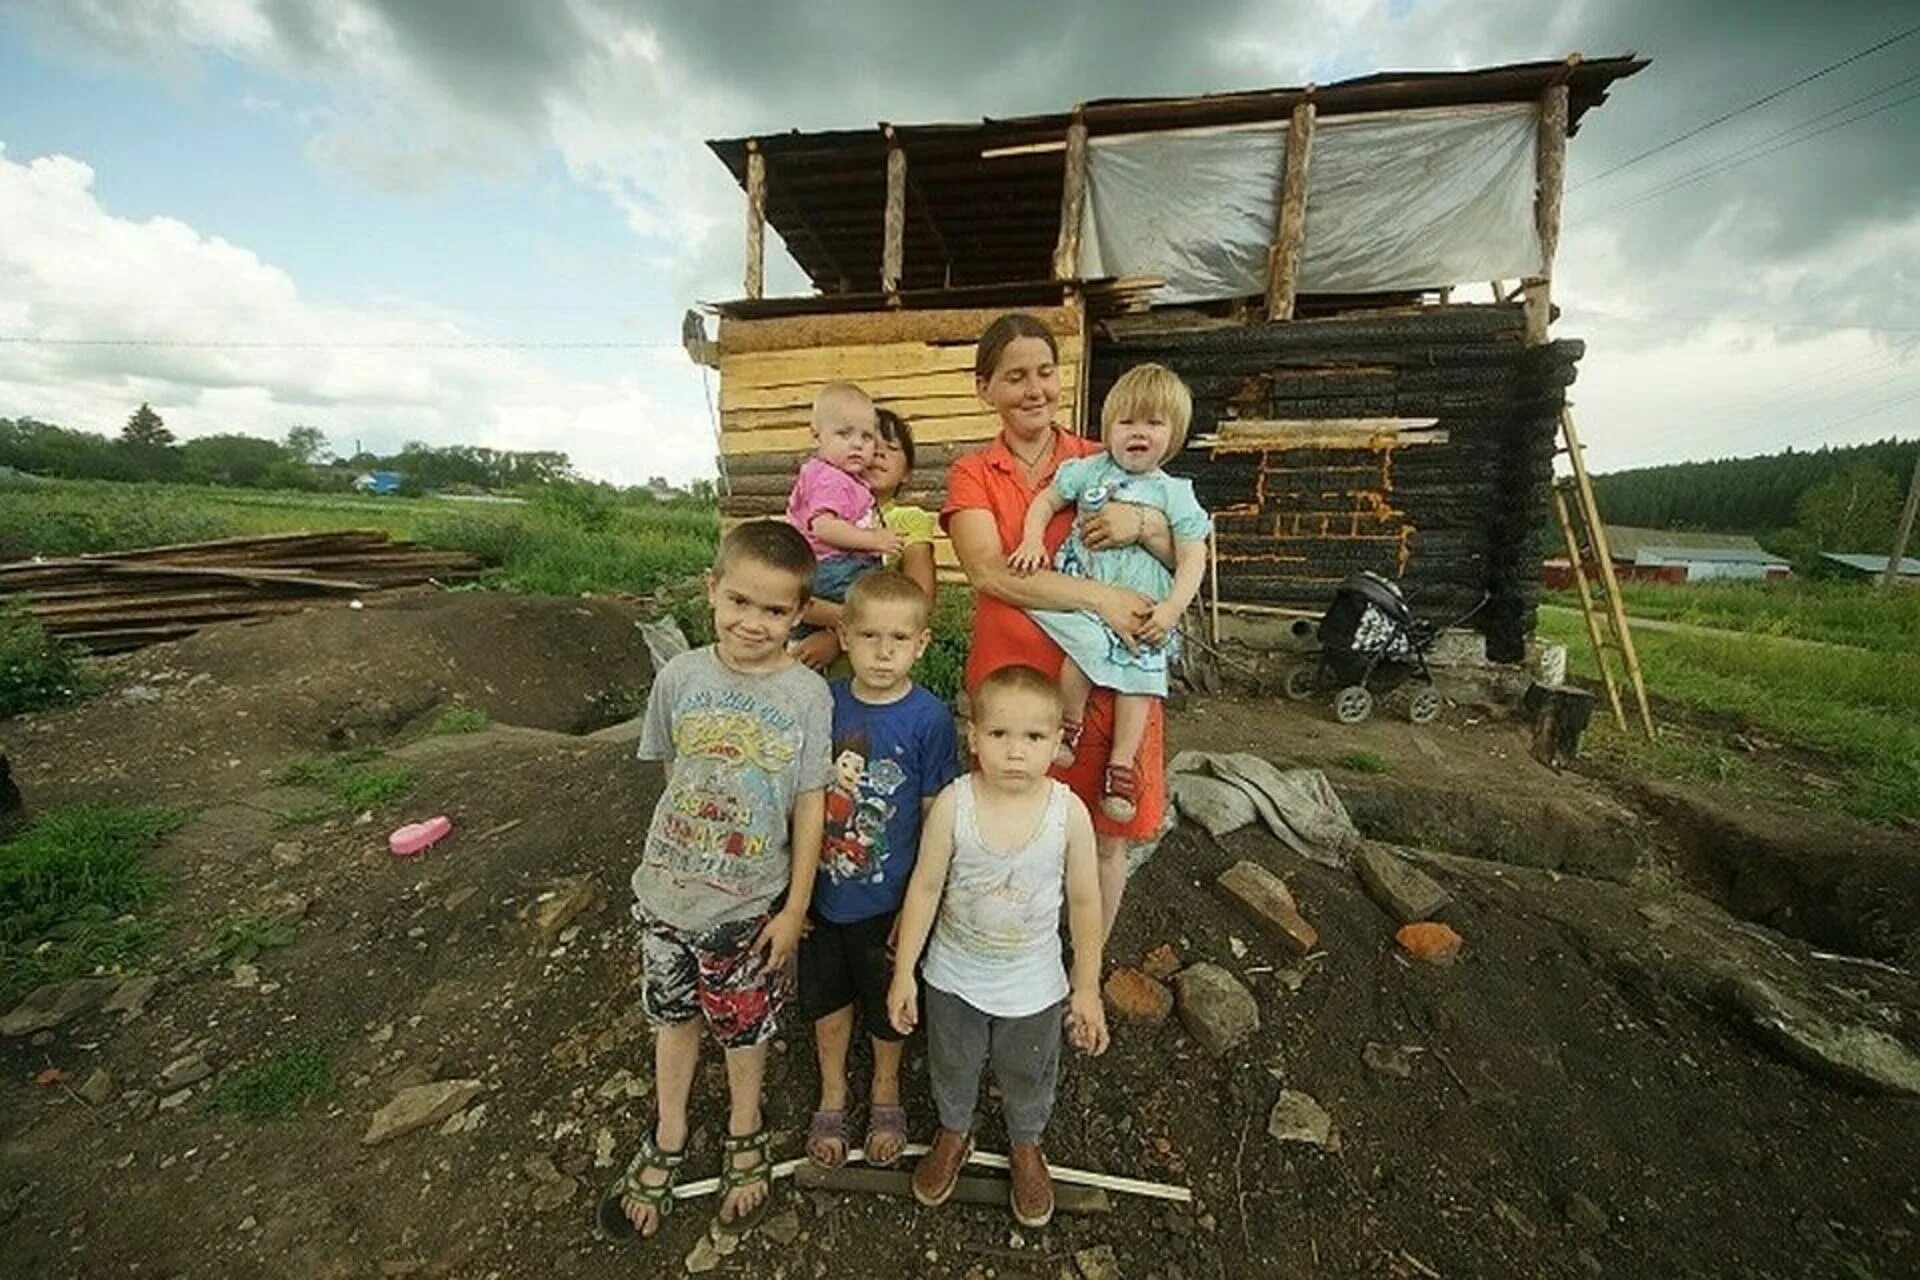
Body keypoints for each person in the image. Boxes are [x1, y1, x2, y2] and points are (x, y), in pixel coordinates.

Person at [598, 520, 831, 1244]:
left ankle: (744, 1125)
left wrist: (794, 908)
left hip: (746, 907)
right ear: (712, 591)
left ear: (799, 614)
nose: (753, 622)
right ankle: (668, 1131)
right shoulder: (680, 678)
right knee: (672, 1016)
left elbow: (809, 802)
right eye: (739, 602)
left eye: (774, 610)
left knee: (742, 1025)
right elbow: (674, 772)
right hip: (665, 896)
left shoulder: (806, 696)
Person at [943, 312, 1177, 941]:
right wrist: (1100, 596)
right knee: (1013, 836)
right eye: (1015, 377)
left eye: (1045, 373)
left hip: (1104, 685)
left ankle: (1086, 968)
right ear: (984, 388)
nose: (1034, 389)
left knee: (1104, 839)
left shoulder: (1100, 458)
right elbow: (991, 573)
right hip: (1014, 692)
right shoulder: (972, 473)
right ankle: (1013, 955)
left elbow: (1184, 548)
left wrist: (1144, 528)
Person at [886, 664, 1109, 1228]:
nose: (1015, 753)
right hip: (954, 972)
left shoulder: (1068, 814)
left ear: (1057, 742)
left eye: (1034, 737)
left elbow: (1085, 901)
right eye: (999, 735)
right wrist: (905, 972)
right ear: (974, 736)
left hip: (1032, 981)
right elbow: (927, 886)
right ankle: (954, 1130)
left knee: (1028, 1070)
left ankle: (1026, 1144)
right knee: (952, 1061)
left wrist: (1086, 987)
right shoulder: (955, 806)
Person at [801, 569, 960, 1170]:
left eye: (899, 638)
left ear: (921, 643)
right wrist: (793, 897)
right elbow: (802, 798)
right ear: (843, 636)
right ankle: (834, 1090)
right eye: (869, 636)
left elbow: (932, 817)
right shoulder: (825, 702)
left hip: (890, 899)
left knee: (886, 997)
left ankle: (885, 1088)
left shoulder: (929, 718)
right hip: (821, 893)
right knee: (826, 997)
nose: (884, 651)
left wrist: (918, 907)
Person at [1010, 363, 1210, 822]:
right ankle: (1070, 725)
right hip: (1086, 590)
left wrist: (1174, 609)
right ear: (1108, 427)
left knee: (1142, 677)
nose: (1138, 432)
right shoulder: (1086, 470)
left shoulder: (1176, 494)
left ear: (1174, 433)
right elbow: (1046, 502)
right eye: (1127, 422)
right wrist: (1032, 539)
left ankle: (1120, 766)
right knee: (1080, 652)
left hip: (1144, 609)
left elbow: (1192, 557)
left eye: (1154, 423)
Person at [792, 406, 938, 670]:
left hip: (876, 651)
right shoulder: (821, 510)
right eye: (873, 444)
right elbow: (789, 590)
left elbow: (921, 599)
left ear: (907, 472)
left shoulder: (909, 519)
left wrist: (836, 636)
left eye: (892, 448)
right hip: (803, 627)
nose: (880, 453)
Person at [786, 382, 902, 638]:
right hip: (832, 567)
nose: (857, 445)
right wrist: (873, 540)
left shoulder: (843, 477)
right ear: (817, 436)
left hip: (833, 566)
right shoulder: (830, 478)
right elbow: (824, 526)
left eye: (866, 437)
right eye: (844, 434)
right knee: (873, 612)